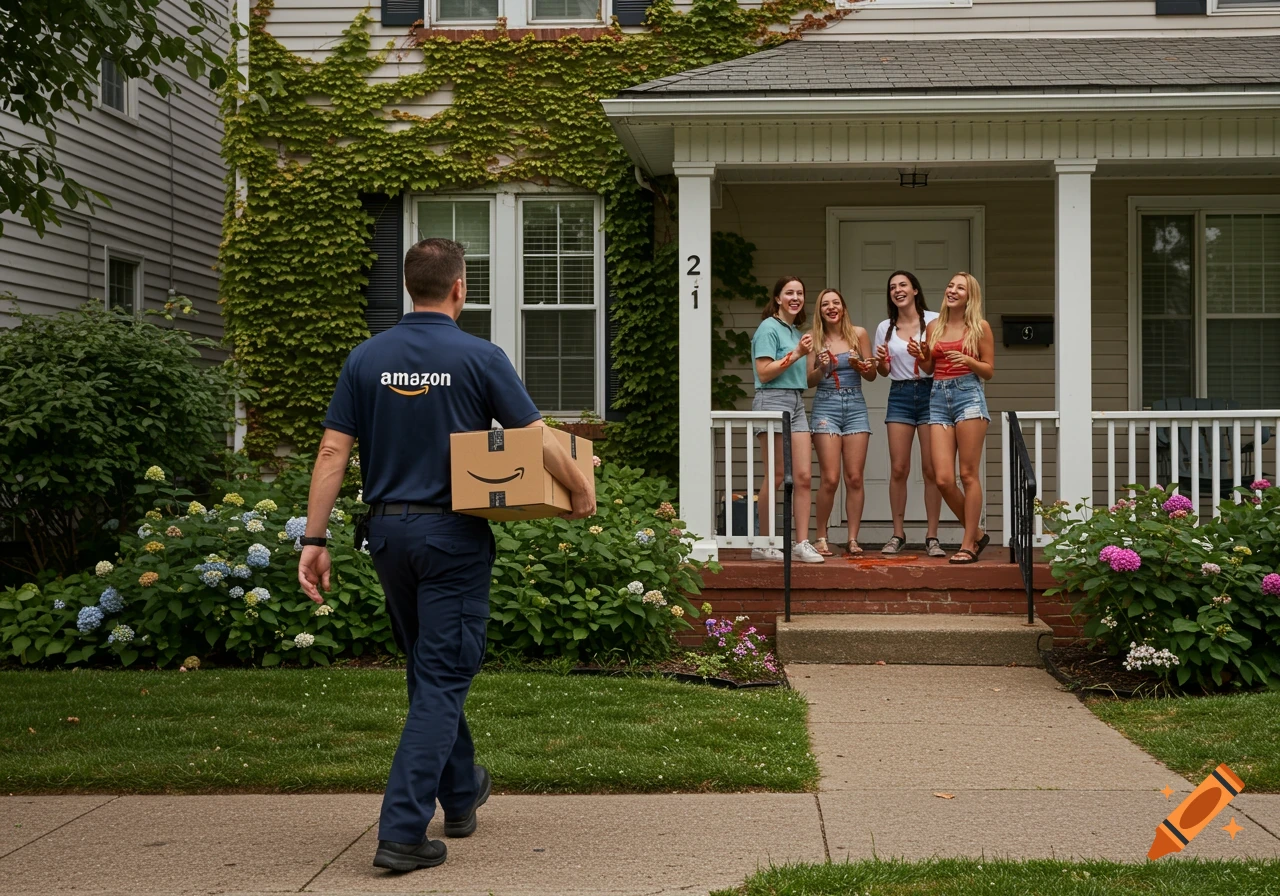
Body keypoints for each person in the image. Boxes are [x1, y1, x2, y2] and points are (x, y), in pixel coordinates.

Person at [297, 238, 596, 872]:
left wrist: (314, 539)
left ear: (411, 287)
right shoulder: (478, 356)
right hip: (452, 537)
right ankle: (402, 832)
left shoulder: (366, 358)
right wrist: (579, 488)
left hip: (387, 537)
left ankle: (460, 793)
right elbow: (531, 437)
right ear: (460, 288)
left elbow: (331, 453)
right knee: (442, 675)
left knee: (428, 669)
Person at [909, 272, 995, 564]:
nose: (953, 290)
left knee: (968, 474)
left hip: (968, 396)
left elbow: (988, 370)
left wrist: (969, 361)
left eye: (960, 288)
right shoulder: (934, 325)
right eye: (950, 286)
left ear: (970, 296)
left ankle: (968, 543)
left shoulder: (979, 327)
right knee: (943, 478)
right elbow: (929, 367)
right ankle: (978, 533)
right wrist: (921, 354)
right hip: (938, 397)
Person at [750, 276, 822, 564]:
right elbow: (764, 372)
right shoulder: (768, 328)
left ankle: (801, 543)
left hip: (796, 401)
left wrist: (822, 365)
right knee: (777, 475)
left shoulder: (795, 332)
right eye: (789, 293)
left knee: (804, 476)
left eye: (800, 293)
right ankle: (764, 543)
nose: (795, 297)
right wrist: (797, 354)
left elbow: (804, 379)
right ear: (777, 298)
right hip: (772, 399)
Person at [873, 271, 944, 557]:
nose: (897, 290)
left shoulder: (934, 321)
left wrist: (922, 354)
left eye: (903, 285)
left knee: (931, 469)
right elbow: (883, 371)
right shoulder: (885, 328)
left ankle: (932, 536)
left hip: (930, 393)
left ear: (915, 290)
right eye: (892, 287)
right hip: (900, 395)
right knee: (899, 468)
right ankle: (898, 533)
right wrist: (879, 362)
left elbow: (934, 366)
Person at [807, 288, 875, 556]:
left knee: (855, 477)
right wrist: (822, 368)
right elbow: (808, 381)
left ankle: (853, 539)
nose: (831, 307)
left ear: (843, 308)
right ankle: (820, 537)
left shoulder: (858, 334)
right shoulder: (814, 339)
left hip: (856, 405)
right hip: (826, 405)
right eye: (826, 304)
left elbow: (871, 375)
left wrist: (862, 366)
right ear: (820, 311)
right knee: (830, 478)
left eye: (836, 303)